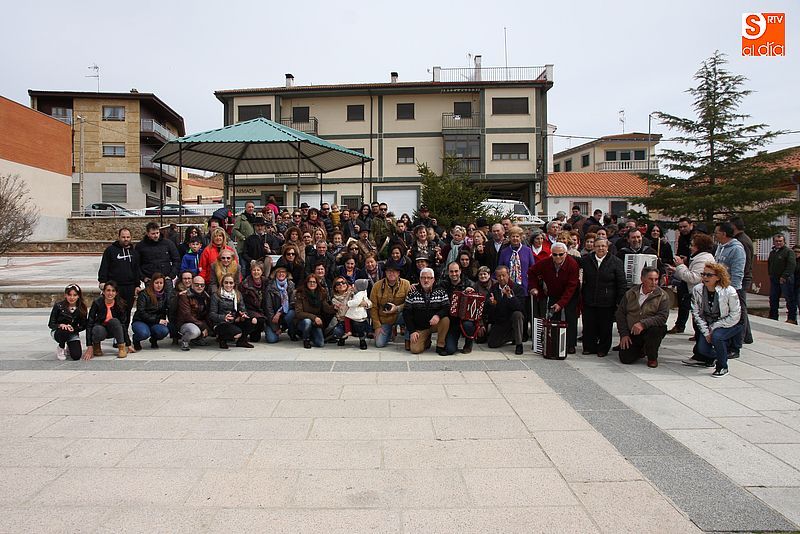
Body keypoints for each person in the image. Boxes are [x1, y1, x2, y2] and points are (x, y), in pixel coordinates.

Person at [682, 262, 741, 377]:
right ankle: (715, 357)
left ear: (718, 277)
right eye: (703, 274)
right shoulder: (698, 289)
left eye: (709, 275)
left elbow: (735, 314)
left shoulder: (729, 291)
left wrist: (714, 327)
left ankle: (722, 366)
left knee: (717, 337)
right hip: (708, 323)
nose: (705, 277)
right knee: (702, 349)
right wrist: (706, 331)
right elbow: (696, 313)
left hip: (728, 323)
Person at [528, 242, 580, 354]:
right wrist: (534, 287)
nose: (558, 257)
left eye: (561, 254)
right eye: (555, 254)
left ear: (566, 253)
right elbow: (531, 271)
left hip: (570, 293)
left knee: (570, 316)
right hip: (553, 291)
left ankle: (570, 344)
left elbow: (571, 287)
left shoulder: (572, 264)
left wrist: (561, 303)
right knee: (553, 315)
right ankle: (554, 341)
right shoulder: (546, 262)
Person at [580, 238, 626, 357]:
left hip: (607, 300)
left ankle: (603, 349)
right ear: (594, 247)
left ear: (607, 247)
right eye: (598, 246)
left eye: (603, 246)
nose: (601, 248)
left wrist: (619, 300)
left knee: (605, 326)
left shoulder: (616, 261)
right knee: (589, 325)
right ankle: (589, 347)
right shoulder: (586, 260)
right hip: (589, 298)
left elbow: (621, 282)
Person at [616, 266, 670, 367]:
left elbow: (662, 317)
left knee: (656, 330)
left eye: (656, 279)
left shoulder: (662, 296)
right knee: (626, 358)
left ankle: (652, 358)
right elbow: (620, 314)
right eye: (650, 279)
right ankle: (641, 349)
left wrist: (643, 324)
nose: (654, 282)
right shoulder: (631, 293)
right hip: (633, 331)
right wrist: (624, 334)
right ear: (642, 279)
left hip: (650, 329)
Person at [667, 233, 716, 335]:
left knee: (698, 315)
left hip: (699, 293)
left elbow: (693, 278)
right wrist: (677, 269)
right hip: (697, 292)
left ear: (699, 247)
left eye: (692, 245)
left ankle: (701, 336)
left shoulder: (702, 259)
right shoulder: (700, 257)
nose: (690, 247)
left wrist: (680, 265)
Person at [98, 227, 140, 337]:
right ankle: (117, 335)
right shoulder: (110, 251)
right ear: (119, 237)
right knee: (116, 311)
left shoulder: (134, 252)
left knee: (127, 312)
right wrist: (102, 281)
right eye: (123, 237)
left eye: (128, 237)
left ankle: (124, 335)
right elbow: (104, 267)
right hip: (115, 287)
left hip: (130, 287)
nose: (126, 239)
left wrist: (137, 285)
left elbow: (136, 270)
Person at [714, 221, 746, 356]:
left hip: (732, 290)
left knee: (735, 318)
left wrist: (732, 290)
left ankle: (735, 347)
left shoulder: (736, 249)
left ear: (724, 233)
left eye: (716, 233)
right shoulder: (720, 247)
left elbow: (738, 272)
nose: (715, 235)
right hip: (720, 288)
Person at [403, 267, 450, 355]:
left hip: (434, 324)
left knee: (445, 320)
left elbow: (447, 307)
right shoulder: (412, 292)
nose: (426, 280)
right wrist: (412, 331)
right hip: (420, 327)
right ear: (420, 279)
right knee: (415, 350)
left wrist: (438, 315)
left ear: (433, 279)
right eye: (423, 278)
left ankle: (440, 345)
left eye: (429, 278)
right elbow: (406, 312)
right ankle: (426, 340)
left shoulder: (441, 291)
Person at [668, 218, 700, 334]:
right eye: (680, 227)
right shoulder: (682, 237)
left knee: (695, 305)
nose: (682, 229)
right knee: (682, 300)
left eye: (685, 226)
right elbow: (680, 252)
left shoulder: (697, 236)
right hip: (684, 270)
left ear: (691, 225)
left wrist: (687, 260)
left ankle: (698, 331)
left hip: (693, 272)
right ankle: (680, 325)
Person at [370, 260, 411, 349]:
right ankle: (389, 332)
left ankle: (408, 339)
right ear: (385, 272)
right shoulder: (377, 286)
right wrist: (377, 326)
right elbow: (373, 307)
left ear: (398, 273)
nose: (391, 273)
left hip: (399, 315)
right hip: (384, 318)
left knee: (411, 314)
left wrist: (397, 308)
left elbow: (409, 303)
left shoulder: (406, 284)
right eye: (389, 271)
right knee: (379, 344)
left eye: (394, 271)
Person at [485, 266, 526, 354]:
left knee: (517, 314)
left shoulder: (517, 288)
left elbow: (520, 307)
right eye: (499, 276)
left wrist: (510, 296)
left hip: (513, 318)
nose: (501, 278)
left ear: (508, 275)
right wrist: (492, 303)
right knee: (492, 344)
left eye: (503, 275)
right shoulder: (494, 288)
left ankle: (519, 344)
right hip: (501, 320)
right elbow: (488, 309)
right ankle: (512, 335)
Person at [209, 273, 256, 349]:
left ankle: (242, 341)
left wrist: (243, 315)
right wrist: (224, 317)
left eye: (231, 283)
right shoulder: (216, 295)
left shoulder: (237, 294)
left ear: (234, 284)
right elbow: (212, 314)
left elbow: (242, 309)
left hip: (234, 321)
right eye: (226, 282)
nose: (228, 285)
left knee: (253, 320)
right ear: (222, 283)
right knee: (237, 333)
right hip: (220, 323)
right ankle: (222, 339)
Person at [85, 281, 131, 359]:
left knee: (115, 321)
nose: (110, 293)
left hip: (114, 329)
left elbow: (123, 324)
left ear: (116, 293)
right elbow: (89, 323)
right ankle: (96, 345)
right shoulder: (97, 303)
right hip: (101, 329)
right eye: (108, 290)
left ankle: (121, 347)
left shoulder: (120, 304)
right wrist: (89, 345)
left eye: (113, 291)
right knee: (97, 329)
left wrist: (128, 344)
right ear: (103, 292)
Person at [440, 262, 477, 354]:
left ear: (460, 271)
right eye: (451, 271)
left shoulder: (469, 283)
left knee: (468, 325)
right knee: (450, 350)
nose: (454, 274)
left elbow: (476, 304)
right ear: (448, 272)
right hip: (452, 320)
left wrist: (471, 294)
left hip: (465, 319)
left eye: (456, 271)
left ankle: (468, 344)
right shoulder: (443, 284)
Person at [131, 273, 172, 351]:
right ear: (152, 283)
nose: (159, 285)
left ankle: (153, 339)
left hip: (155, 322)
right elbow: (141, 312)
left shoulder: (165, 295)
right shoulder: (143, 294)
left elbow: (169, 308)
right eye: (156, 283)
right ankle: (136, 339)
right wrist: (157, 320)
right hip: (141, 321)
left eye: (161, 283)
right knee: (144, 333)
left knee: (164, 331)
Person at [48, 283, 88, 361]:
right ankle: (61, 346)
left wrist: (74, 328)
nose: (72, 298)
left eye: (75, 295)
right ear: (65, 295)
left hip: (73, 332)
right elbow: (51, 324)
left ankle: (69, 346)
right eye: (69, 295)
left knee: (76, 356)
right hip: (59, 332)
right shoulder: (58, 306)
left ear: (78, 296)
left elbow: (83, 325)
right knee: (65, 330)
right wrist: (61, 325)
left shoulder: (82, 308)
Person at [295, 274, 335, 349]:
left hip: (316, 323)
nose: (312, 284)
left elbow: (326, 308)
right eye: (310, 282)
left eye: (314, 282)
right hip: (303, 321)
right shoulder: (300, 293)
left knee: (320, 343)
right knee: (307, 322)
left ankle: (311, 334)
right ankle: (306, 339)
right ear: (306, 283)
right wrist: (314, 317)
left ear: (317, 283)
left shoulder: (321, 293)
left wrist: (335, 307)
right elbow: (299, 313)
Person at [137, 222, 181, 286]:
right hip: (149, 280)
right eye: (153, 233)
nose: (156, 236)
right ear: (148, 234)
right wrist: (143, 277)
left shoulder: (168, 244)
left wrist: (171, 275)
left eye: (157, 233)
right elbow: (136, 264)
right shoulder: (140, 246)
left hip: (166, 279)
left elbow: (176, 260)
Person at [768, 233, 797, 324]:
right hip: (774, 279)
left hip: (785, 279)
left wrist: (784, 276)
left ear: (784, 242)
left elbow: (791, 265)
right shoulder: (772, 252)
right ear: (773, 242)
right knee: (773, 298)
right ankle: (773, 317)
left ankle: (792, 318)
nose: (778, 243)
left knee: (789, 299)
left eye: (780, 241)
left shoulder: (788, 252)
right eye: (776, 241)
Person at [176, 276, 211, 351]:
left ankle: (196, 339)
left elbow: (207, 313)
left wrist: (208, 326)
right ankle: (185, 341)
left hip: (198, 322)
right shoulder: (185, 296)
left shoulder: (206, 296)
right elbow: (187, 315)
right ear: (192, 284)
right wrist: (202, 326)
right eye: (197, 285)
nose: (199, 287)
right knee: (194, 332)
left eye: (202, 285)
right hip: (185, 323)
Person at [264, 266, 297, 343]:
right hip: (273, 317)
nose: (281, 274)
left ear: (287, 274)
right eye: (279, 272)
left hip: (284, 314)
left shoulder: (291, 285)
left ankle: (291, 332)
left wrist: (279, 312)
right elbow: (268, 309)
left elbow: (292, 303)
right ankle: (271, 328)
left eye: (283, 272)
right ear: (275, 273)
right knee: (272, 340)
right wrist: (275, 328)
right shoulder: (270, 286)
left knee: (292, 313)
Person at [240, 261, 269, 342]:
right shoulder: (245, 284)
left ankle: (256, 332)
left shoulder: (266, 282)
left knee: (255, 339)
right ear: (251, 271)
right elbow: (241, 300)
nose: (256, 272)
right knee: (259, 319)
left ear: (262, 271)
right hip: (249, 309)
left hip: (262, 309)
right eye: (254, 270)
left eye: (258, 270)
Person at [340, 278, 372, 349]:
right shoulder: (360, 293)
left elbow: (359, 302)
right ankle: (345, 335)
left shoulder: (359, 294)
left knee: (351, 321)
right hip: (350, 315)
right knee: (346, 320)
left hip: (356, 314)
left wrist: (366, 304)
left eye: (354, 285)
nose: (352, 286)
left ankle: (354, 334)